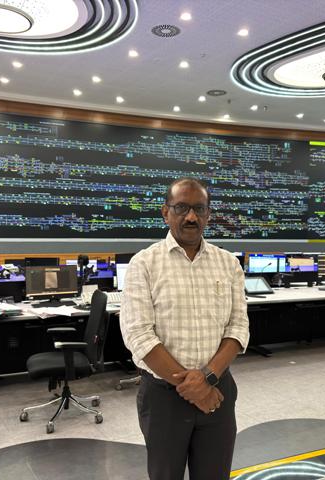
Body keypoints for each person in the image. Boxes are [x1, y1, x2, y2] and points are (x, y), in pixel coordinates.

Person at [120, 177, 250, 480]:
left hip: (218, 391)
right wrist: (194, 389)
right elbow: (139, 335)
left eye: (199, 209)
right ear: (165, 212)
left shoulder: (228, 263)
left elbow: (238, 327)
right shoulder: (144, 264)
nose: (191, 217)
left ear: (208, 214)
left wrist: (207, 379)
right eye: (181, 208)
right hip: (163, 399)